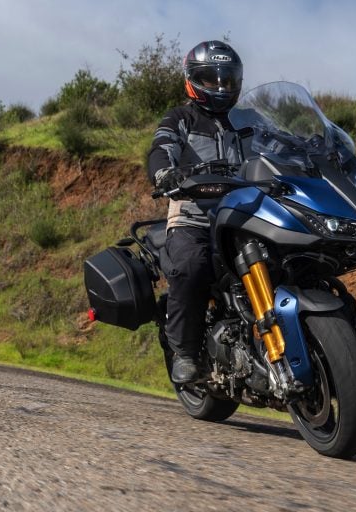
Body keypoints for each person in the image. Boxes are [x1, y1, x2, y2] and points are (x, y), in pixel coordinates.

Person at [146, 40, 244, 384]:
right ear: (193, 80)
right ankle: (185, 352)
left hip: (245, 214)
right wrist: (165, 173)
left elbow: (281, 144)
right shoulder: (180, 117)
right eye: (211, 79)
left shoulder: (248, 120)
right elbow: (162, 147)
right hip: (194, 213)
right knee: (191, 266)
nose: (220, 86)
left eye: (226, 79)